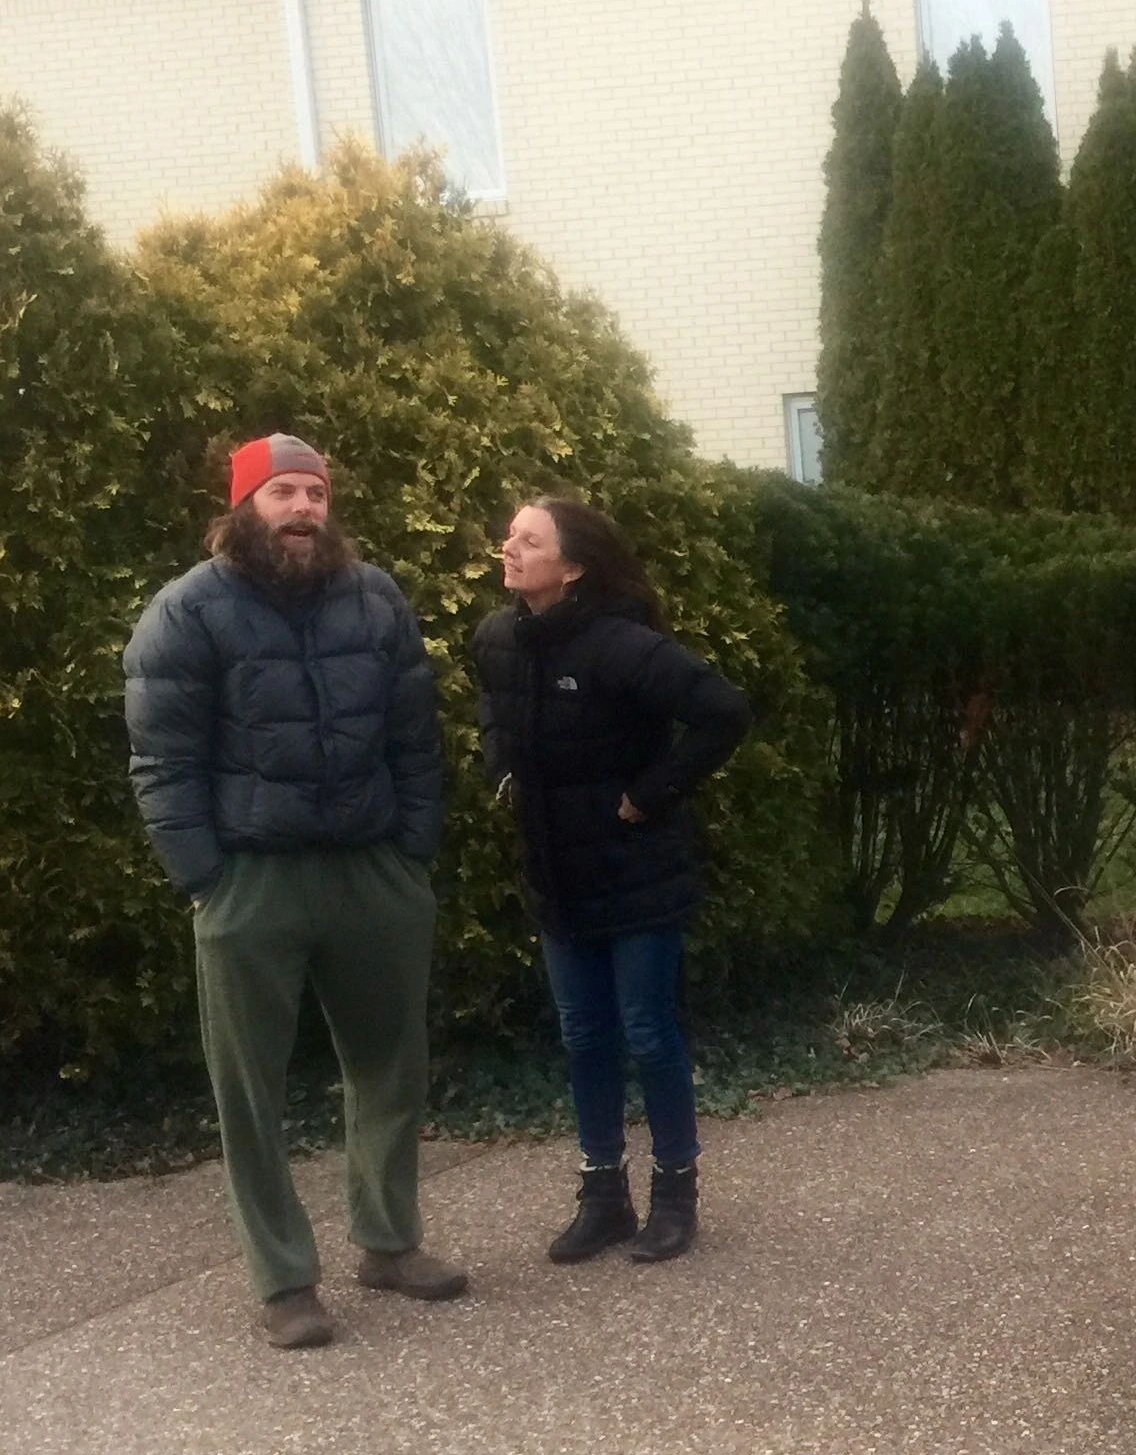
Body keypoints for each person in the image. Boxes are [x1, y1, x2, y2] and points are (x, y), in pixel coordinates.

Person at [125, 433, 465, 1350]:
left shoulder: (375, 596)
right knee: (250, 1090)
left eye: (315, 492)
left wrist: (411, 851)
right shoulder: (187, 612)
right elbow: (164, 759)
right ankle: (283, 1281)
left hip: (372, 872)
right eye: (283, 493)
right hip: (251, 879)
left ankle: (390, 1245)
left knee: (392, 1066)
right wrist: (204, 878)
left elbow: (413, 733)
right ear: (244, 508)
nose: (304, 508)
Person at [474, 498, 751, 1264]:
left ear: (573, 565)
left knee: (646, 1032)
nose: (510, 548)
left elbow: (724, 712)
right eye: (511, 537)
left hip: (638, 878)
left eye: (529, 541)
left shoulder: (623, 645)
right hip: (556, 878)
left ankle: (674, 1196)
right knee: (583, 1035)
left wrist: (651, 792)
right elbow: (493, 713)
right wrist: (503, 775)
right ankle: (603, 1198)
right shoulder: (498, 638)